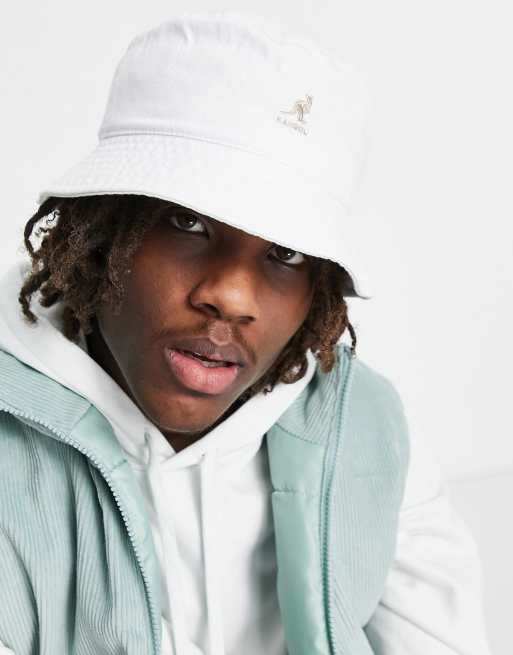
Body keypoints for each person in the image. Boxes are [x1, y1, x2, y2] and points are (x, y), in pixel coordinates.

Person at [0, 10, 492, 655]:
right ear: (98, 228)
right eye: (186, 222)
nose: (231, 296)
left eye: (286, 254)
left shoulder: (365, 431)